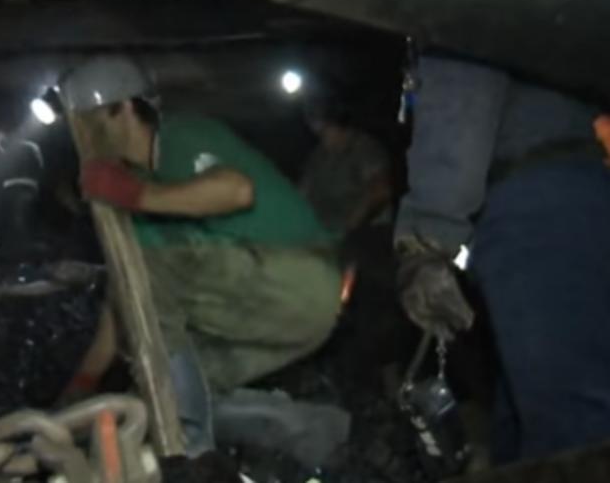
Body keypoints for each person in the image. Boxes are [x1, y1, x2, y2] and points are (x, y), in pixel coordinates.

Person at [58, 56, 347, 465]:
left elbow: (236, 191)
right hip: (274, 313)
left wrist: (132, 194)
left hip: (300, 276)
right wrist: (81, 386)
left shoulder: (180, 137)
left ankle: (189, 457)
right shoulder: (139, 188)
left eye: (90, 122)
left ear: (123, 108)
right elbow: (125, 296)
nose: (85, 138)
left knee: (155, 285)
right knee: (152, 398)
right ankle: (314, 431)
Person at [395, 54, 610, 464]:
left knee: (570, 426)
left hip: (536, 202)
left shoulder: (463, 15)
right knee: (528, 416)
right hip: (575, 190)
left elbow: (461, 86)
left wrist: (427, 238)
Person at [299, 98, 392, 241]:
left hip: (366, 232)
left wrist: (352, 226)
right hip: (326, 232)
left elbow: (380, 191)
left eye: (325, 128)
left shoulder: (364, 149)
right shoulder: (318, 155)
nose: (320, 133)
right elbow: (303, 192)